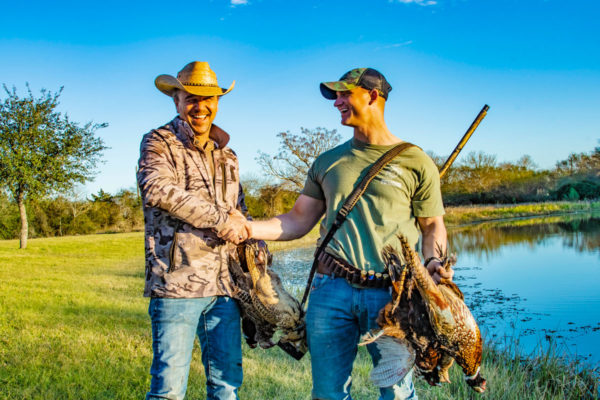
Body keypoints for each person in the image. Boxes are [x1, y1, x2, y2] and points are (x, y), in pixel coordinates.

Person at [244, 68, 453, 400]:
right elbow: (297, 221)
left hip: (394, 296)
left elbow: (432, 227)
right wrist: (247, 227)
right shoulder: (327, 162)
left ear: (372, 95)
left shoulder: (416, 161)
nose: (336, 102)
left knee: (398, 393)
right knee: (328, 393)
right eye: (335, 96)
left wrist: (433, 261)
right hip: (331, 292)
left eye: (344, 94)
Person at [137, 61, 251, 400]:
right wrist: (221, 220)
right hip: (177, 285)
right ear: (176, 99)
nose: (199, 107)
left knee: (227, 386)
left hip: (225, 287)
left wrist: (256, 254)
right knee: (169, 391)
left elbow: (239, 211)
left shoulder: (228, 155)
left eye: (208, 99)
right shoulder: (159, 142)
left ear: (217, 101)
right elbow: (156, 188)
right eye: (190, 98)